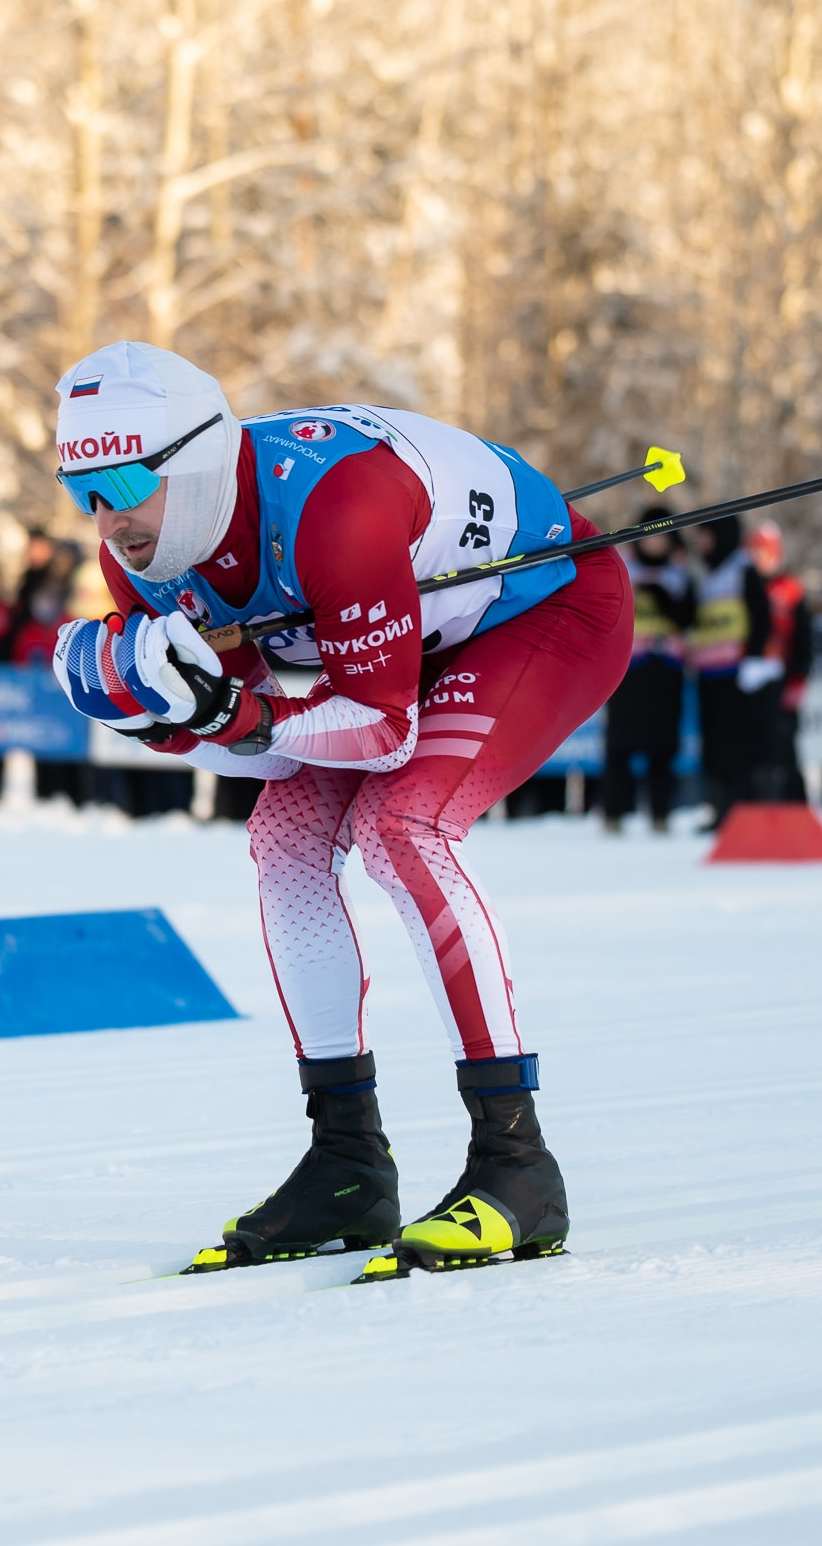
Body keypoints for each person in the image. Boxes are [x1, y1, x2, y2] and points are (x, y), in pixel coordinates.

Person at [46, 341, 631, 1280]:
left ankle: (519, 1165)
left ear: (193, 462)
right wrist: (162, 716)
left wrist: (230, 712)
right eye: (84, 492)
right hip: (412, 634)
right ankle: (347, 1160)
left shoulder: (339, 509)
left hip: (547, 608)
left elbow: (379, 731)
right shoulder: (149, 562)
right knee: (282, 836)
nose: (108, 520)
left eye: (121, 481)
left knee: (403, 826)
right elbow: (257, 741)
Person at [600, 513, 692, 834]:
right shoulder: (622, 568)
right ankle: (614, 813)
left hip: (665, 670)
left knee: (663, 745)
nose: (656, 543)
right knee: (620, 744)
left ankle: (660, 813)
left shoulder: (680, 575)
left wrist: (664, 596)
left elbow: (688, 618)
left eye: (663, 537)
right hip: (627, 669)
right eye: (651, 536)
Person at [687, 516, 772, 831]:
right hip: (709, 674)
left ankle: (746, 811)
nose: (701, 542)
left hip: (738, 674)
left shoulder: (743, 569)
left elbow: (761, 615)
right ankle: (721, 811)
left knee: (740, 745)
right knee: (715, 747)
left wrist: (753, 658)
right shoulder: (698, 571)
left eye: (705, 534)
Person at [747, 520, 808, 801]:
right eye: (755, 551)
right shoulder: (746, 585)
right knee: (756, 748)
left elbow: (805, 637)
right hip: (751, 679)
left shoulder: (792, 589)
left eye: (765, 551)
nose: (760, 557)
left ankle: (794, 804)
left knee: (785, 746)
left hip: (783, 678)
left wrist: (798, 679)